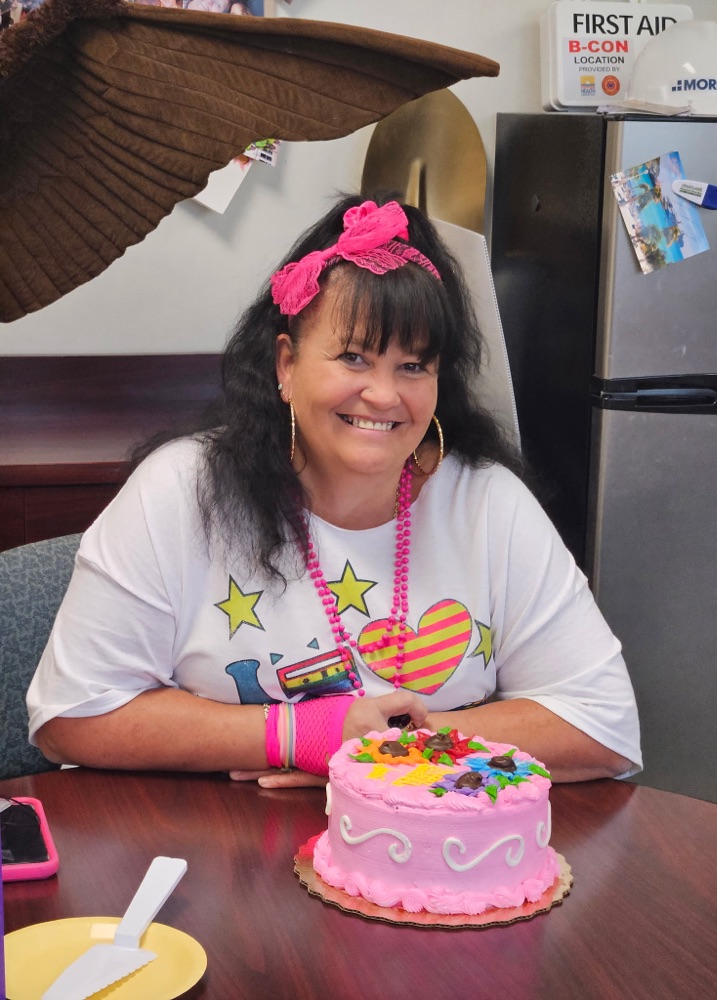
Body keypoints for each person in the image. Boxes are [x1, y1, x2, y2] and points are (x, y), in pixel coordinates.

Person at [27, 195, 641, 786]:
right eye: (352, 357)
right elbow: (70, 716)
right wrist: (297, 735)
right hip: (216, 854)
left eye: (413, 366)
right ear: (286, 366)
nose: (383, 395)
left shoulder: (488, 502)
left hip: (421, 864)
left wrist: (387, 757)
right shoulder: (180, 489)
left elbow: (602, 727)